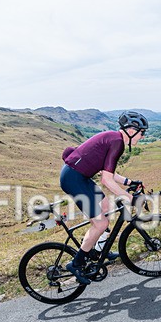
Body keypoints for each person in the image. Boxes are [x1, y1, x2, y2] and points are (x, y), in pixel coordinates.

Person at [60, 111, 148, 284]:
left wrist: (129, 182)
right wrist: (128, 197)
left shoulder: (114, 139)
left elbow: (107, 172)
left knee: (106, 208)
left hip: (79, 177)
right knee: (101, 223)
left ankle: (98, 250)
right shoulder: (117, 142)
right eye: (142, 133)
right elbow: (106, 179)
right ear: (131, 131)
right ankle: (76, 264)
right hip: (74, 179)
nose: (143, 137)